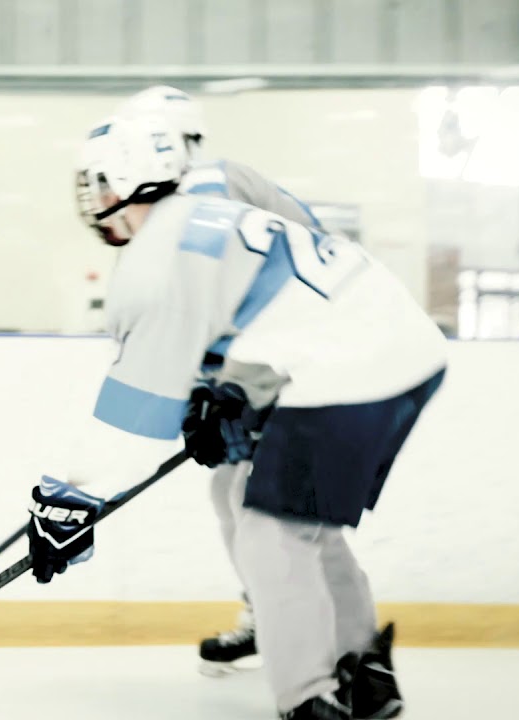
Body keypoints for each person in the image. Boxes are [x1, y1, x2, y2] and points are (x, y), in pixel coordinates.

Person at [25, 113, 447, 720]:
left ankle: (307, 700)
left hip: (351, 370)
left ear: (128, 178)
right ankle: (360, 670)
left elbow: (133, 408)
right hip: (401, 350)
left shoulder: (155, 260)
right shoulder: (209, 208)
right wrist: (223, 393)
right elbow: (270, 300)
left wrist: (67, 498)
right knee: (282, 512)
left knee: (271, 529)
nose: (93, 199)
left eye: (98, 182)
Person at [118, 85, 328, 676]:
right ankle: (272, 619)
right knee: (231, 494)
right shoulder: (185, 200)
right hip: (273, 363)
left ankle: (320, 643)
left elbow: (243, 296)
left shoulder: (212, 187)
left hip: (298, 364)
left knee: (266, 506)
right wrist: (200, 393)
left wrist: (228, 389)